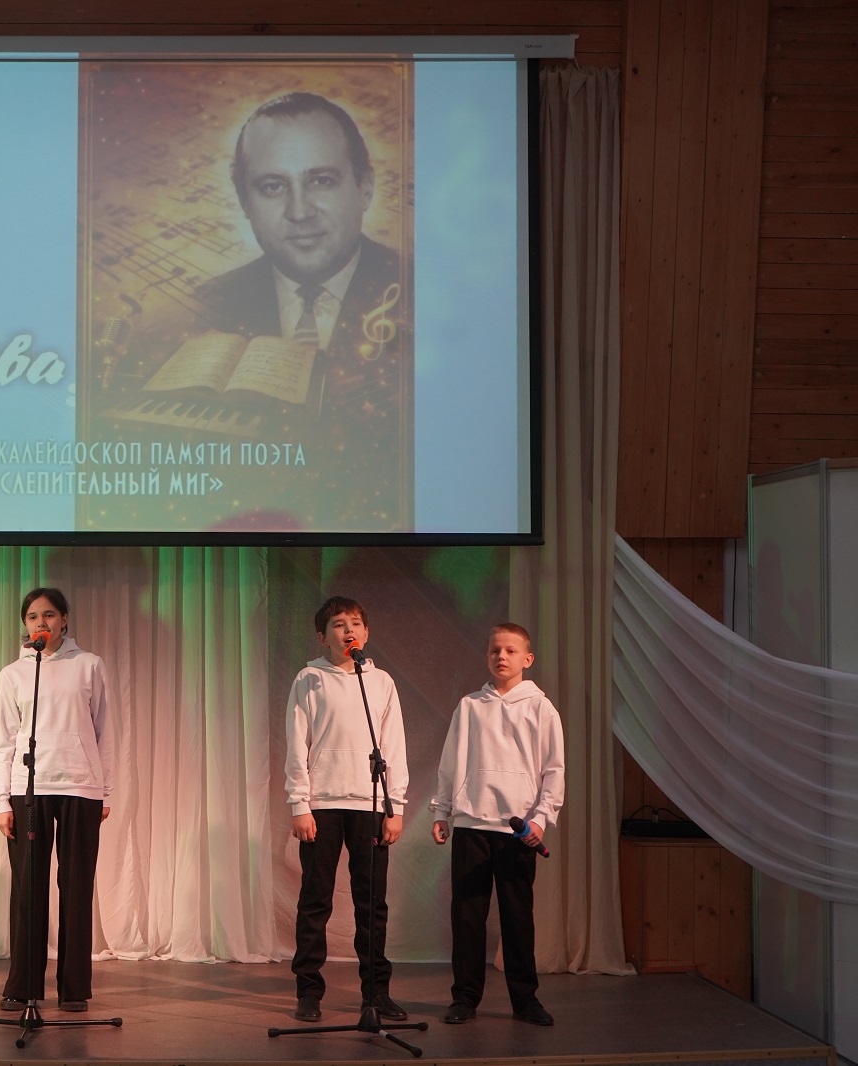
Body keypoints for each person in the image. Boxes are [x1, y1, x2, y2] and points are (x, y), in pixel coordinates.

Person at [198, 91, 411, 529]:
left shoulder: (425, 300)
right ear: (245, 202)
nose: (299, 211)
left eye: (322, 180)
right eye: (273, 187)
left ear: (365, 187)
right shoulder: (204, 308)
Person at [430, 623, 564, 1027]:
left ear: (527, 659)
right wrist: (441, 811)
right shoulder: (470, 706)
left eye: (510, 650)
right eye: (494, 650)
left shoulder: (541, 708)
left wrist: (541, 818)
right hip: (472, 824)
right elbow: (451, 762)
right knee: (467, 916)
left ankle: (526, 1001)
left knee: (517, 917)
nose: (500, 657)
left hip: (517, 831)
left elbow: (553, 770)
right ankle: (464, 998)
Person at [284, 595, 408, 1022]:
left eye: (355, 623)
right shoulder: (309, 679)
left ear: (366, 633)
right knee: (315, 900)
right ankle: (308, 991)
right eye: (338, 624)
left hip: (370, 804)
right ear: (323, 637)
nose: (348, 630)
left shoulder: (381, 682)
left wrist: (395, 805)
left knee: (371, 903)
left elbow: (393, 746)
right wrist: (300, 803)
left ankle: (376, 993)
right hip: (322, 804)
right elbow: (297, 744)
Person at [0, 587, 114, 1013]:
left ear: (64, 619)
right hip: (28, 789)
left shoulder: (89, 665)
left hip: (81, 787)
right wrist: (0, 801)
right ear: (25, 625)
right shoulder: (14, 674)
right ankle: (22, 985)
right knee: (28, 889)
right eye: (32, 617)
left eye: (48, 614)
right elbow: (3, 741)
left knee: (76, 888)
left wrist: (105, 790)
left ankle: (74, 988)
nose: (40, 622)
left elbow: (105, 731)